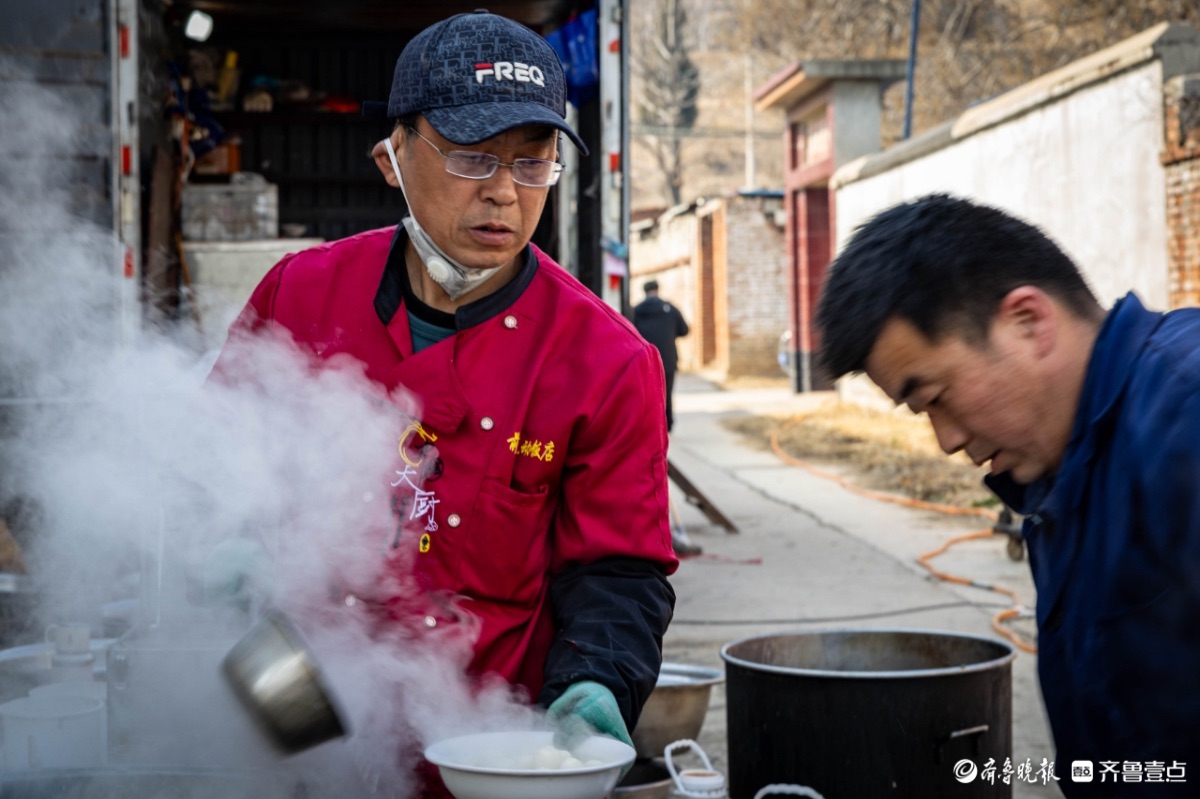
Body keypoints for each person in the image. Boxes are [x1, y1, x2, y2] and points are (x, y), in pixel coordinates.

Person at [212, 10, 677, 794]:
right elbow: (207, 458)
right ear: (393, 156)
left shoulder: (608, 360)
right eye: (472, 157)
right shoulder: (300, 295)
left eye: (533, 164)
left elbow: (617, 570)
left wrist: (600, 679)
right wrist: (217, 537)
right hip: (300, 747)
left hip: (490, 757)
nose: (504, 191)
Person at [815, 193, 1200, 791]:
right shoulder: (1064, 462)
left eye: (935, 397)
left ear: (1028, 321)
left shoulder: (1185, 416)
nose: (944, 440)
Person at [632, 280, 689, 432]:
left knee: (647, 395)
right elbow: (684, 330)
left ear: (645, 291)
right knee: (666, 393)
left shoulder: (636, 310)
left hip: (645, 361)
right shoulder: (670, 309)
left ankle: (650, 427)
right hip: (668, 359)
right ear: (658, 290)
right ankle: (667, 425)